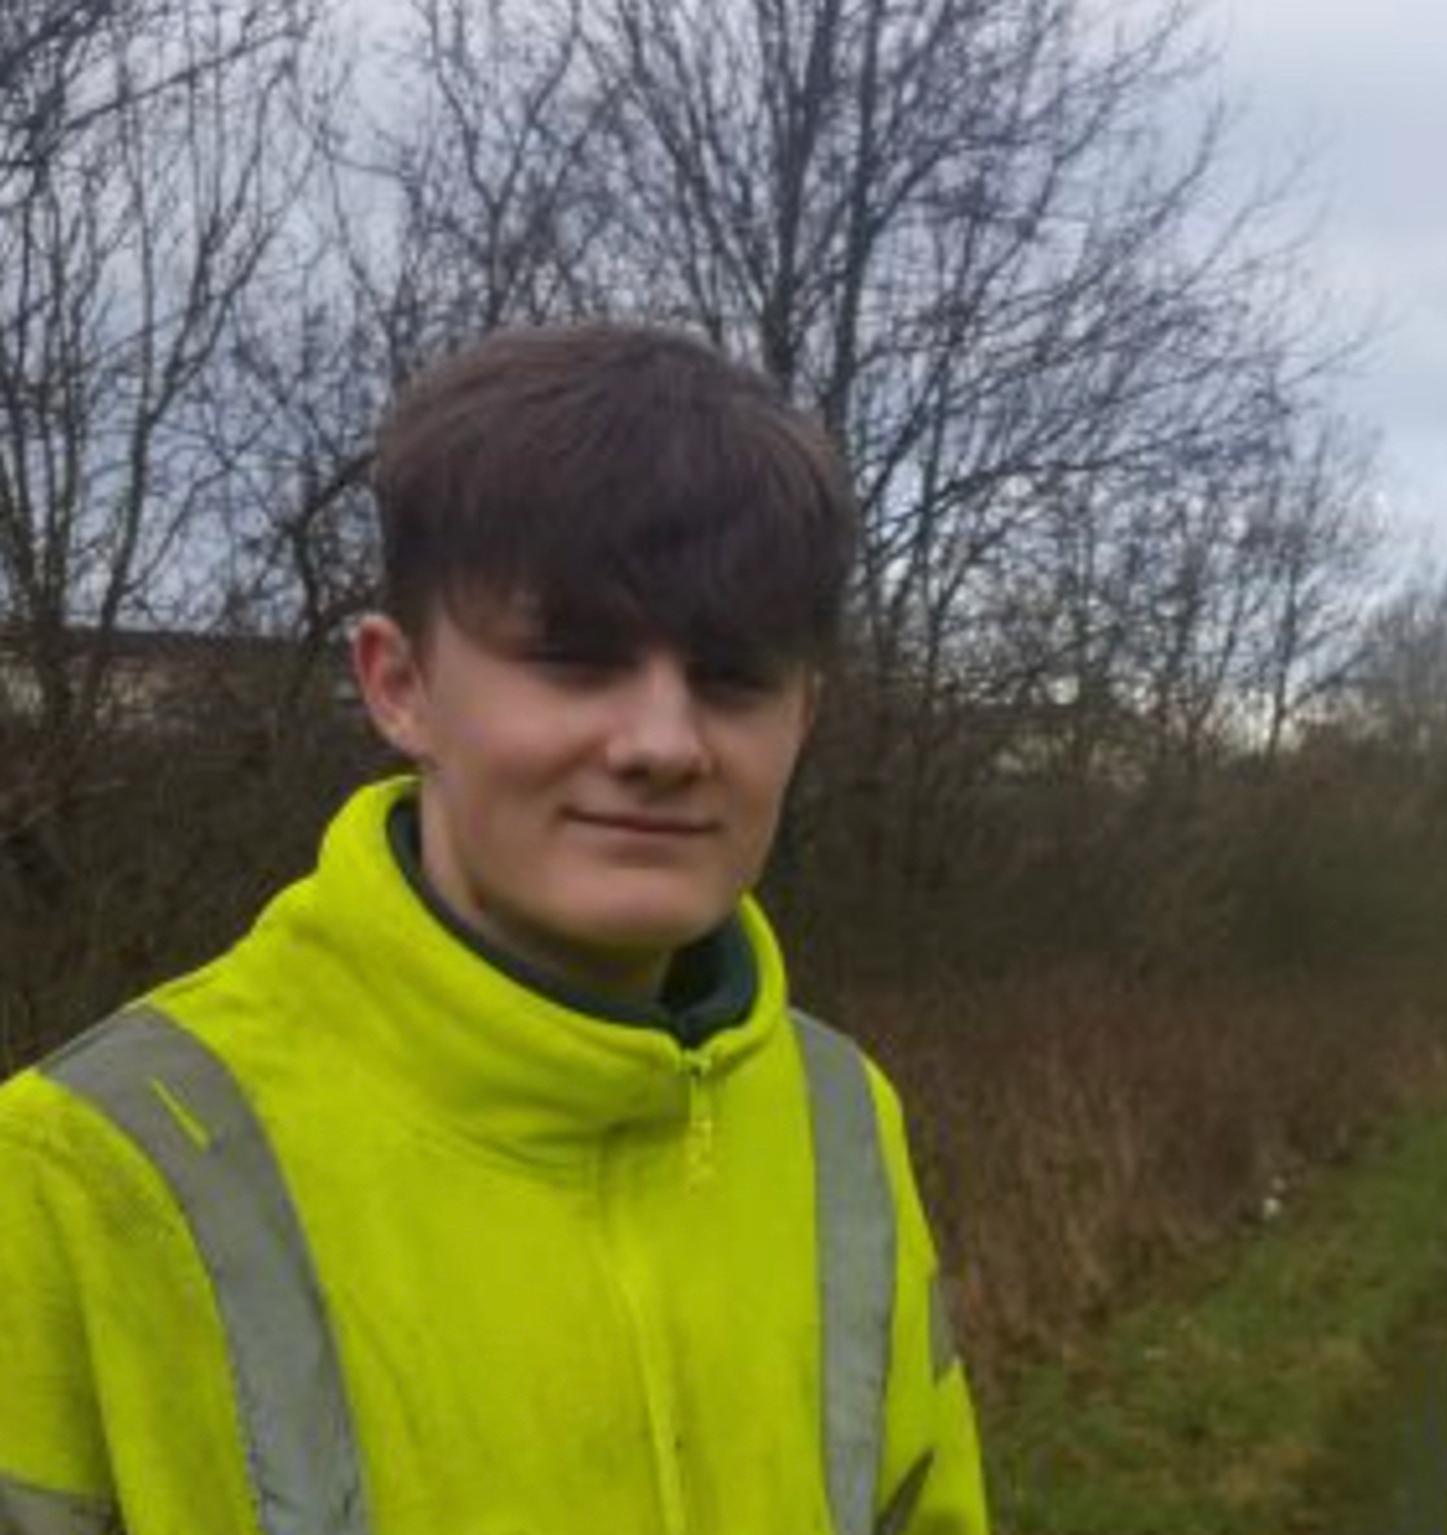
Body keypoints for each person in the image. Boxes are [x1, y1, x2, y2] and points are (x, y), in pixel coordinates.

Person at [0, 324, 986, 1534]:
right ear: (398, 682)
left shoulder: (841, 1115)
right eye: (575, 659)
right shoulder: (88, 1163)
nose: (663, 743)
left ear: (806, 716)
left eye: (732, 677)